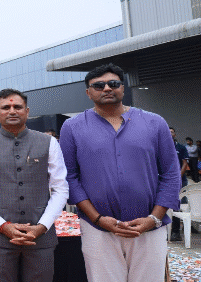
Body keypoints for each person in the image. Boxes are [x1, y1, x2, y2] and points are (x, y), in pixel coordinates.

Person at [60, 63, 181, 282]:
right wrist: (97, 218)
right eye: (98, 85)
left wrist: (154, 218)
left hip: (148, 227)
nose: (107, 88)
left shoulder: (155, 123)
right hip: (98, 229)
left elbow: (171, 173)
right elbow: (70, 177)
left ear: (123, 88)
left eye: (113, 83)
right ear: (88, 93)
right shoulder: (72, 127)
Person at [0, 89, 68, 282]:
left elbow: (60, 188)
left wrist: (42, 226)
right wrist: (2, 225)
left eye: (17, 107)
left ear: (27, 111)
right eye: (6, 107)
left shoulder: (49, 143)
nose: (12, 111)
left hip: (41, 237)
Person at [170, 127, 190, 241]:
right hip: (165, 180)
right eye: (167, 132)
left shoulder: (181, 147)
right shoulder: (161, 146)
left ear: (175, 135)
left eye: (172, 132)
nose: (169, 133)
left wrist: (178, 178)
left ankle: (176, 232)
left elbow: (184, 163)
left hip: (179, 181)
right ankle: (163, 231)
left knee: (178, 206)